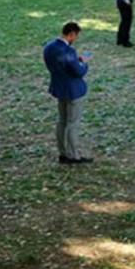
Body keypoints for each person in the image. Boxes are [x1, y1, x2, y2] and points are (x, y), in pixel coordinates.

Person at [44, 21, 92, 165]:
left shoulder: (49, 47)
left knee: (62, 121)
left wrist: (75, 61)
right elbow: (79, 71)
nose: (75, 39)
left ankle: (63, 152)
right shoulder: (68, 51)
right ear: (71, 34)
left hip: (59, 88)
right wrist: (84, 63)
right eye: (76, 36)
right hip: (73, 90)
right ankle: (73, 155)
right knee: (73, 123)